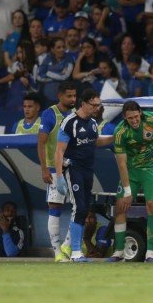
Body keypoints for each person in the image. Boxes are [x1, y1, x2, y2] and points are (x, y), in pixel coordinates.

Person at [106, 101, 153, 263]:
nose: (134, 120)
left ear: (140, 113)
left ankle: (150, 254)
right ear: (125, 117)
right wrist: (127, 192)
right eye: (130, 118)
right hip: (131, 171)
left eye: (136, 116)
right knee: (120, 206)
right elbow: (122, 163)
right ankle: (118, 251)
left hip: (152, 169)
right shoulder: (120, 132)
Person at [54, 88, 113, 262]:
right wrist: (58, 176)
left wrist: (113, 137)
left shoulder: (93, 123)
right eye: (94, 105)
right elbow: (59, 151)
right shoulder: (69, 122)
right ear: (84, 103)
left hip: (88, 170)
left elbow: (96, 142)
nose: (97, 108)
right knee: (79, 208)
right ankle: (76, 252)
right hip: (74, 170)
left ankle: (70, 247)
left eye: (98, 105)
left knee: (83, 209)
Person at [37, 81, 77, 262]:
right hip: (55, 168)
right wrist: (44, 169)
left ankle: (68, 246)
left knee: (80, 207)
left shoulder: (77, 114)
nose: (73, 99)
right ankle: (56, 252)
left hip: (74, 168)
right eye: (69, 96)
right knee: (55, 208)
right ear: (59, 96)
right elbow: (41, 142)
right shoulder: (49, 114)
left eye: (75, 96)